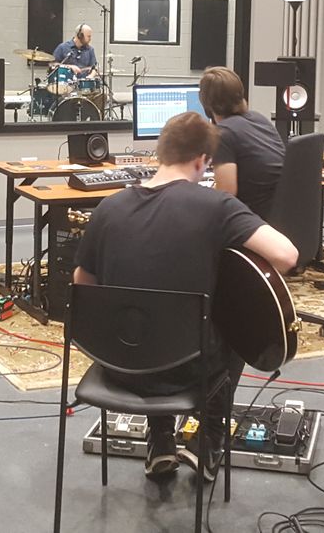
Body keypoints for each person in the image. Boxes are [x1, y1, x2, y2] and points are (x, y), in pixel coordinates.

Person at [73, 112, 298, 480]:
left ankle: (160, 440)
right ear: (202, 161)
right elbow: (286, 256)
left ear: (161, 153)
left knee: (148, 322)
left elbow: (82, 285)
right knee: (233, 327)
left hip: (117, 367)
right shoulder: (216, 207)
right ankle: (208, 441)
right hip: (191, 372)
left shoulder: (108, 208)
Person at [198, 65, 285, 219]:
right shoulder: (258, 118)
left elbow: (227, 195)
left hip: (251, 218)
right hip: (279, 214)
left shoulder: (222, 134)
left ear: (207, 106)